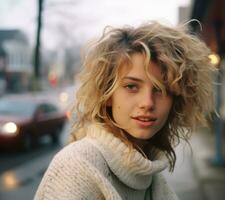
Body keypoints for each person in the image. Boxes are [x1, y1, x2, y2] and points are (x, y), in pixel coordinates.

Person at [34, 21, 215, 200]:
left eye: (161, 89)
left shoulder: (149, 172)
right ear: (107, 95)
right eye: (131, 86)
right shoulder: (76, 167)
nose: (147, 103)